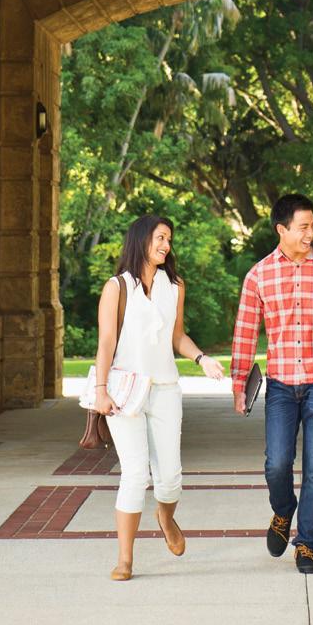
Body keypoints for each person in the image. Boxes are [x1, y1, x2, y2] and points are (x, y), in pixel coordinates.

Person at [231, 193, 313, 575]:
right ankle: (283, 510)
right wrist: (239, 384)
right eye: (302, 227)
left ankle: (307, 545)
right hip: (281, 387)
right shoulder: (259, 275)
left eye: (312, 226)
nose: (310, 234)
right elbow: (245, 332)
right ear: (282, 229)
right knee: (277, 464)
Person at [93, 213, 225, 581]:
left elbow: (177, 335)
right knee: (135, 474)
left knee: (169, 478)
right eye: (160, 238)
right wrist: (101, 390)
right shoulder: (117, 287)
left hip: (165, 389)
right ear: (141, 239)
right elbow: (106, 342)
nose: (166, 245)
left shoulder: (175, 285)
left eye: (169, 239)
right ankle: (125, 560)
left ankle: (165, 517)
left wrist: (202, 359)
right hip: (124, 392)